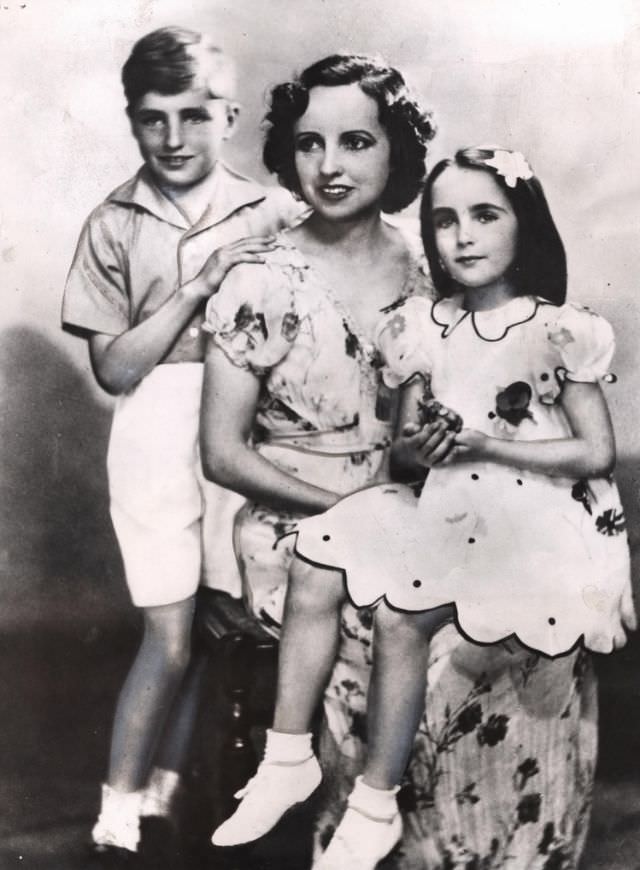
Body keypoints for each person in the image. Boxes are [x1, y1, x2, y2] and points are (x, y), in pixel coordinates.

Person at [214, 146, 637, 869]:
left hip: (532, 523)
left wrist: (486, 447)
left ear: (523, 227)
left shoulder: (557, 330)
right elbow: (404, 457)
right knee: (319, 553)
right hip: (452, 512)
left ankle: (373, 803)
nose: (462, 236)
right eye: (444, 221)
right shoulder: (421, 327)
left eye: (483, 216)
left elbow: (594, 452)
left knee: (404, 615)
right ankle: (287, 759)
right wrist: (431, 445)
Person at [62, 26, 300, 865]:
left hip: (247, 424)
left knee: (221, 623)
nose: (173, 139)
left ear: (228, 115)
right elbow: (116, 369)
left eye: (194, 117)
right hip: (157, 430)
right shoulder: (114, 222)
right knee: (166, 633)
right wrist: (199, 287)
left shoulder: (275, 210)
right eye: (152, 119)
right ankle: (116, 812)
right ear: (132, 121)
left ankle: (167, 785)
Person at [198, 52, 435, 866]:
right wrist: (345, 509)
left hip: (407, 507)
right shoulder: (259, 281)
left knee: (495, 616)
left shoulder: (436, 265)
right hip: (294, 527)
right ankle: (346, 820)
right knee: (381, 623)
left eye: (357, 142)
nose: (329, 166)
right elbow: (223, 454)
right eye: (309, 144)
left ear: (397, 150)